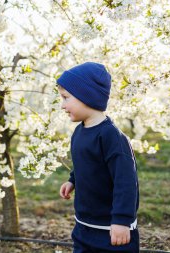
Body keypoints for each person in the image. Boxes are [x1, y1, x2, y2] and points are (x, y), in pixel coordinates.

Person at [57, 62, 140, 253]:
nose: (62, 105)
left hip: (112, 231)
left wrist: (121, 220)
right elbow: (85, 164)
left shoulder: (112, 137)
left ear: (87, 97)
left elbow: (126, 182)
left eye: (66, 98)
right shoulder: (79, 132)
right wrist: (73, 180)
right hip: (84, 226)